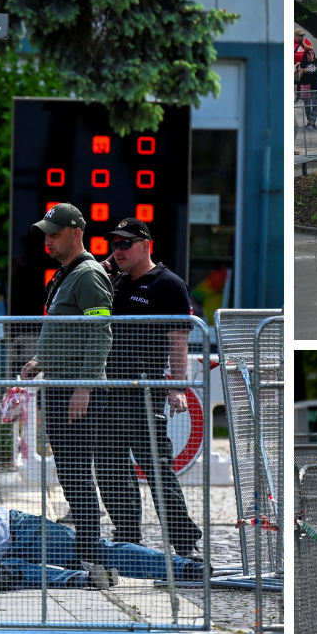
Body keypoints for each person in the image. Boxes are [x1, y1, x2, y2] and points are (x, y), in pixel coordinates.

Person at [95, 217, 203, 559]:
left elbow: (179, 340)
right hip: (109, 387)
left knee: (157, 468)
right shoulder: (115, 282)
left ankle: (185, 543)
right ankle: (128, 541)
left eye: (125, 244)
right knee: (111, 468)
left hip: (144, 388)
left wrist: (178, 387)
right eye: (115, 245)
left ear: (146, 245)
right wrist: (103, 271)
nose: (118, 250)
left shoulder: (169, 284)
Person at [18, 203, 114, 567]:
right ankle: (86, 552)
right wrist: (41, 360)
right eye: (46, 234)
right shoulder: (68, 273)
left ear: (77, 233)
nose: (48, 241)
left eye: (55, 234)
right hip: (60, 384)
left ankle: (89, 555)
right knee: (70, 472)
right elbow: (68, 331)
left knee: (75, 471)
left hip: (76, 390)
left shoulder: (87, 275)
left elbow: (101, 334)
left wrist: (84, 387)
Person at [0, 489, 204, 590]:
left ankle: (182, 568)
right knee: (16, 573)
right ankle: (83, 580)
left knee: (94, 548)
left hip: (17, 528)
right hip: (1, 561)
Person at [297, 48, 317, 129]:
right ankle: (309, 121)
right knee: (307, 105)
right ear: (306, 54)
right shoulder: (303, 63)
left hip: (315, 85)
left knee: (315, 105)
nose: (311, 55)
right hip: (306, 85)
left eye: (312, 53)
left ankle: (312, 122)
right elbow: (299, 73)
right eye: (309, 53)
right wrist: (304, 70)